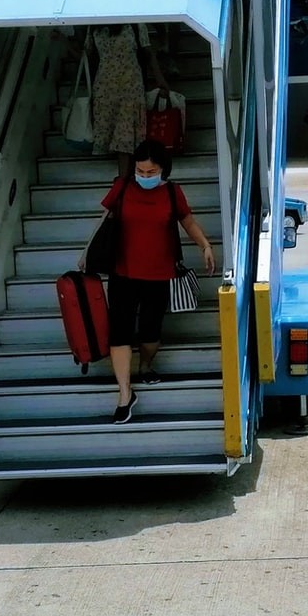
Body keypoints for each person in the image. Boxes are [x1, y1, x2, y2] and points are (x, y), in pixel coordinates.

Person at [96, 138, 216, 423]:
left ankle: (146, 365)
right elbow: (104, 220)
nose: (144, 177)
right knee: (120, 332)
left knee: (150, 333)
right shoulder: (122, 188)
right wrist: (90, 252)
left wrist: (205, 246)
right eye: (140, 171)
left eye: (150, 172)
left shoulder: (173, 194)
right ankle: (125, 394)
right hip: (122, 271)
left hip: (159, 273)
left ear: (163, 169)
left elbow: (188, 221)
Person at [90, 25, 170, 179]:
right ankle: (125, 181)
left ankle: (123, 180)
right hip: (106, 88)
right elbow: (88, 56)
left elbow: (147, 52)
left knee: (125, 135)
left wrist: (160, 79)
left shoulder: (134, 24)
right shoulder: (95, 26)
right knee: (119, 134)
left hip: (129, 86)